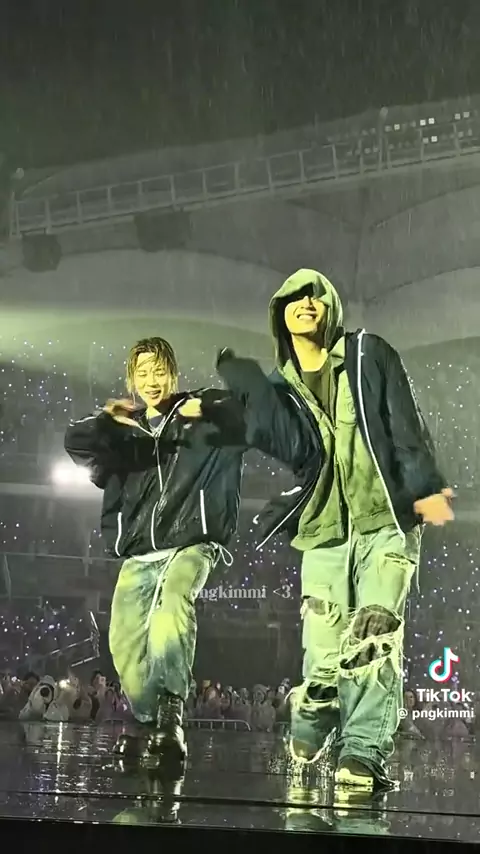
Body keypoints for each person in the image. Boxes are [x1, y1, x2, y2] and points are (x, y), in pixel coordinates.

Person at [212, 268, 454, 791]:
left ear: (331, 307)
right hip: (324, 529)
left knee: (373, 634)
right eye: (293, 297)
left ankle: (362, 753)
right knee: (323, 657)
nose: (305, 302)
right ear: (280, 315)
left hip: (384, 519)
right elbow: (286, 448)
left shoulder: (368, 354)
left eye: (314, 295)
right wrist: (244, 390)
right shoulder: (281, 388)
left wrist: (424, 485)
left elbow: (403, 420)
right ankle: (314, 713)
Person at [64, 336, 246, 765]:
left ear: (173, 374)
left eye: (159, 371)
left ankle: (170, 710)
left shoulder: (201, 415)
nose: (151, 380)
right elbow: (75, 443)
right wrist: (106, 422)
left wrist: (208, 408)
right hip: (140, 551)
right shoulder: (122, 431)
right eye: (142, 373)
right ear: (131, 378)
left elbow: (253, 410)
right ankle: (151, 723)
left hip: (192, 541)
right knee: (122, 640)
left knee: (172, 606)